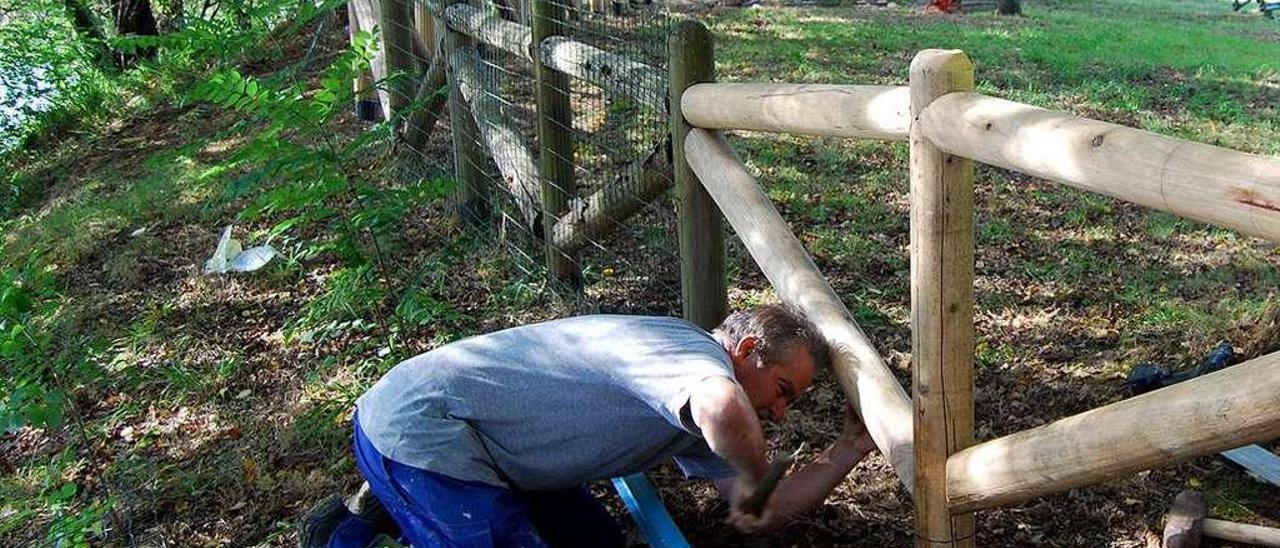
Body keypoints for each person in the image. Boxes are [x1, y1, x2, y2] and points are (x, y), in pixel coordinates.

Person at [301, 304, 878, 548]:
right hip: (424, 430)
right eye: (781, 391)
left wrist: (852, 447)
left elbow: (765, 513)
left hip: (495, 451)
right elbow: (725, 410)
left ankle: (391, 507)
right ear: (746, 349)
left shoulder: (703, 405)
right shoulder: (691, 359)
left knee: (594, 543)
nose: (780, 413)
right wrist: (758, 472)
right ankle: (350, 529)